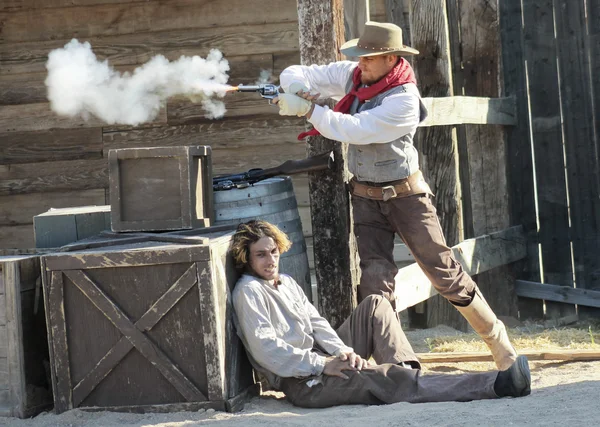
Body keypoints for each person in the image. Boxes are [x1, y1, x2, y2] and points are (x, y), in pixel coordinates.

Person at [273, 21, 518, 371]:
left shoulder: (403, 99)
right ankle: (398, 365)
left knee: (443, 271)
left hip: (406, 197)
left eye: (369, 59)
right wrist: (297, 87)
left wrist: (310, 109)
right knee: (374, 280)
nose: (361, 64)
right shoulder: (355, 75)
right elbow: (301, 72)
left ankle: (498, 342)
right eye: (360, 57)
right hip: (365, 196)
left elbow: (356, 130)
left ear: (391, 59)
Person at [231, 219, 531, 408]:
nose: (271, 260)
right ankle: (497, 384)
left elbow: (316, 323)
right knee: (383, 378)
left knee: (375, 304)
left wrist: (344, 352)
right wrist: (323, 364)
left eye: (274, 252)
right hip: (303, 381)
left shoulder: (287, 282)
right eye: (261, 254)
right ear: (247, 258)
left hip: (323, 356)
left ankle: (407, 378)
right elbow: (268, 351)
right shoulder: (249, 292)